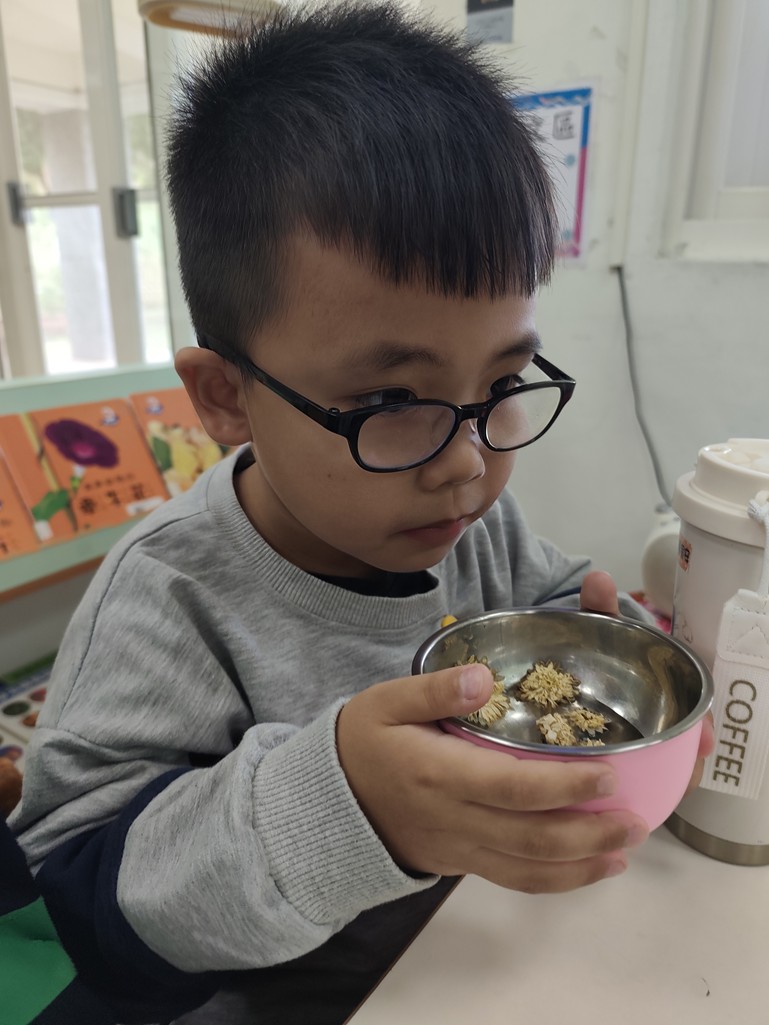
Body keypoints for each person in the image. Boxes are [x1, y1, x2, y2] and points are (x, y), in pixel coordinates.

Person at [10, 4, 713, 1023]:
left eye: (500, 384)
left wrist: (606, 641)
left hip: (468, 955)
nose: (466, 465)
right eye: (391, 402)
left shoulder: (472, 524)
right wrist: (342, 809)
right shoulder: (168, 599)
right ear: (225, 397)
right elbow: (67, 913)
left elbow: (549, 597)